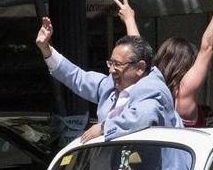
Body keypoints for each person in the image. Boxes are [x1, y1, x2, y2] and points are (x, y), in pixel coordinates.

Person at [35, 16, 182, 143]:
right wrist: (46, 49)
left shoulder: (153, 90)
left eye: (117, 64)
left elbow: (144, 115)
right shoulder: (110, 84)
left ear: (139, 68)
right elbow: (77, 77)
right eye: (111, 63)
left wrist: (104, 127)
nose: (111, 70)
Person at [114, 0, 213, 127]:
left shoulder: (149, 85)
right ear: (188, 65)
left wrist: (129, 19)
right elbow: (207, 48)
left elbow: (138, 50)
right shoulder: (183, 93)